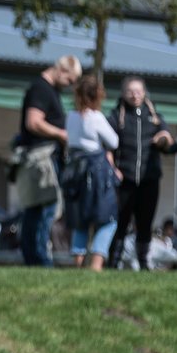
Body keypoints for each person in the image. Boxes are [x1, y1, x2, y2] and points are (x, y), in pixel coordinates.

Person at [12, 56, 82, 266]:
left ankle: (33, 260)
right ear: (62, 70)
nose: (70, 86)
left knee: (36, 210)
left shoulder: (46, 89)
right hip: (41, 160)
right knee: (45, 210)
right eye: (70, 80)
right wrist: (62, 134)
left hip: (41, 158)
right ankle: (40, 260)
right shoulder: (41, 89)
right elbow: (33, 122)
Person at [108, 76, 173, 270]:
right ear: (123, 93)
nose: (135, 95)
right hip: (125, 180)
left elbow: (167, 139)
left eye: (138, 91)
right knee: (120, 222)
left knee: (145, 224)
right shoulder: (115, 117)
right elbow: (106, 146)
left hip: (148, 179)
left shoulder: (154, 117)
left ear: (144, 93)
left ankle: (144, 262)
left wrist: (163, 138)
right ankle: (113, 261)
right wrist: (113, 170)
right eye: (130, 91)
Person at [62, 75, 120, 271]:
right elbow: (114, 142)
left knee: (81, 219)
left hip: (75, 170)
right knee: (107, 218)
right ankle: (96, 263)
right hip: (96, 171)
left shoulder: (71, 116)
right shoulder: (95, 118)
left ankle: (77, 262)